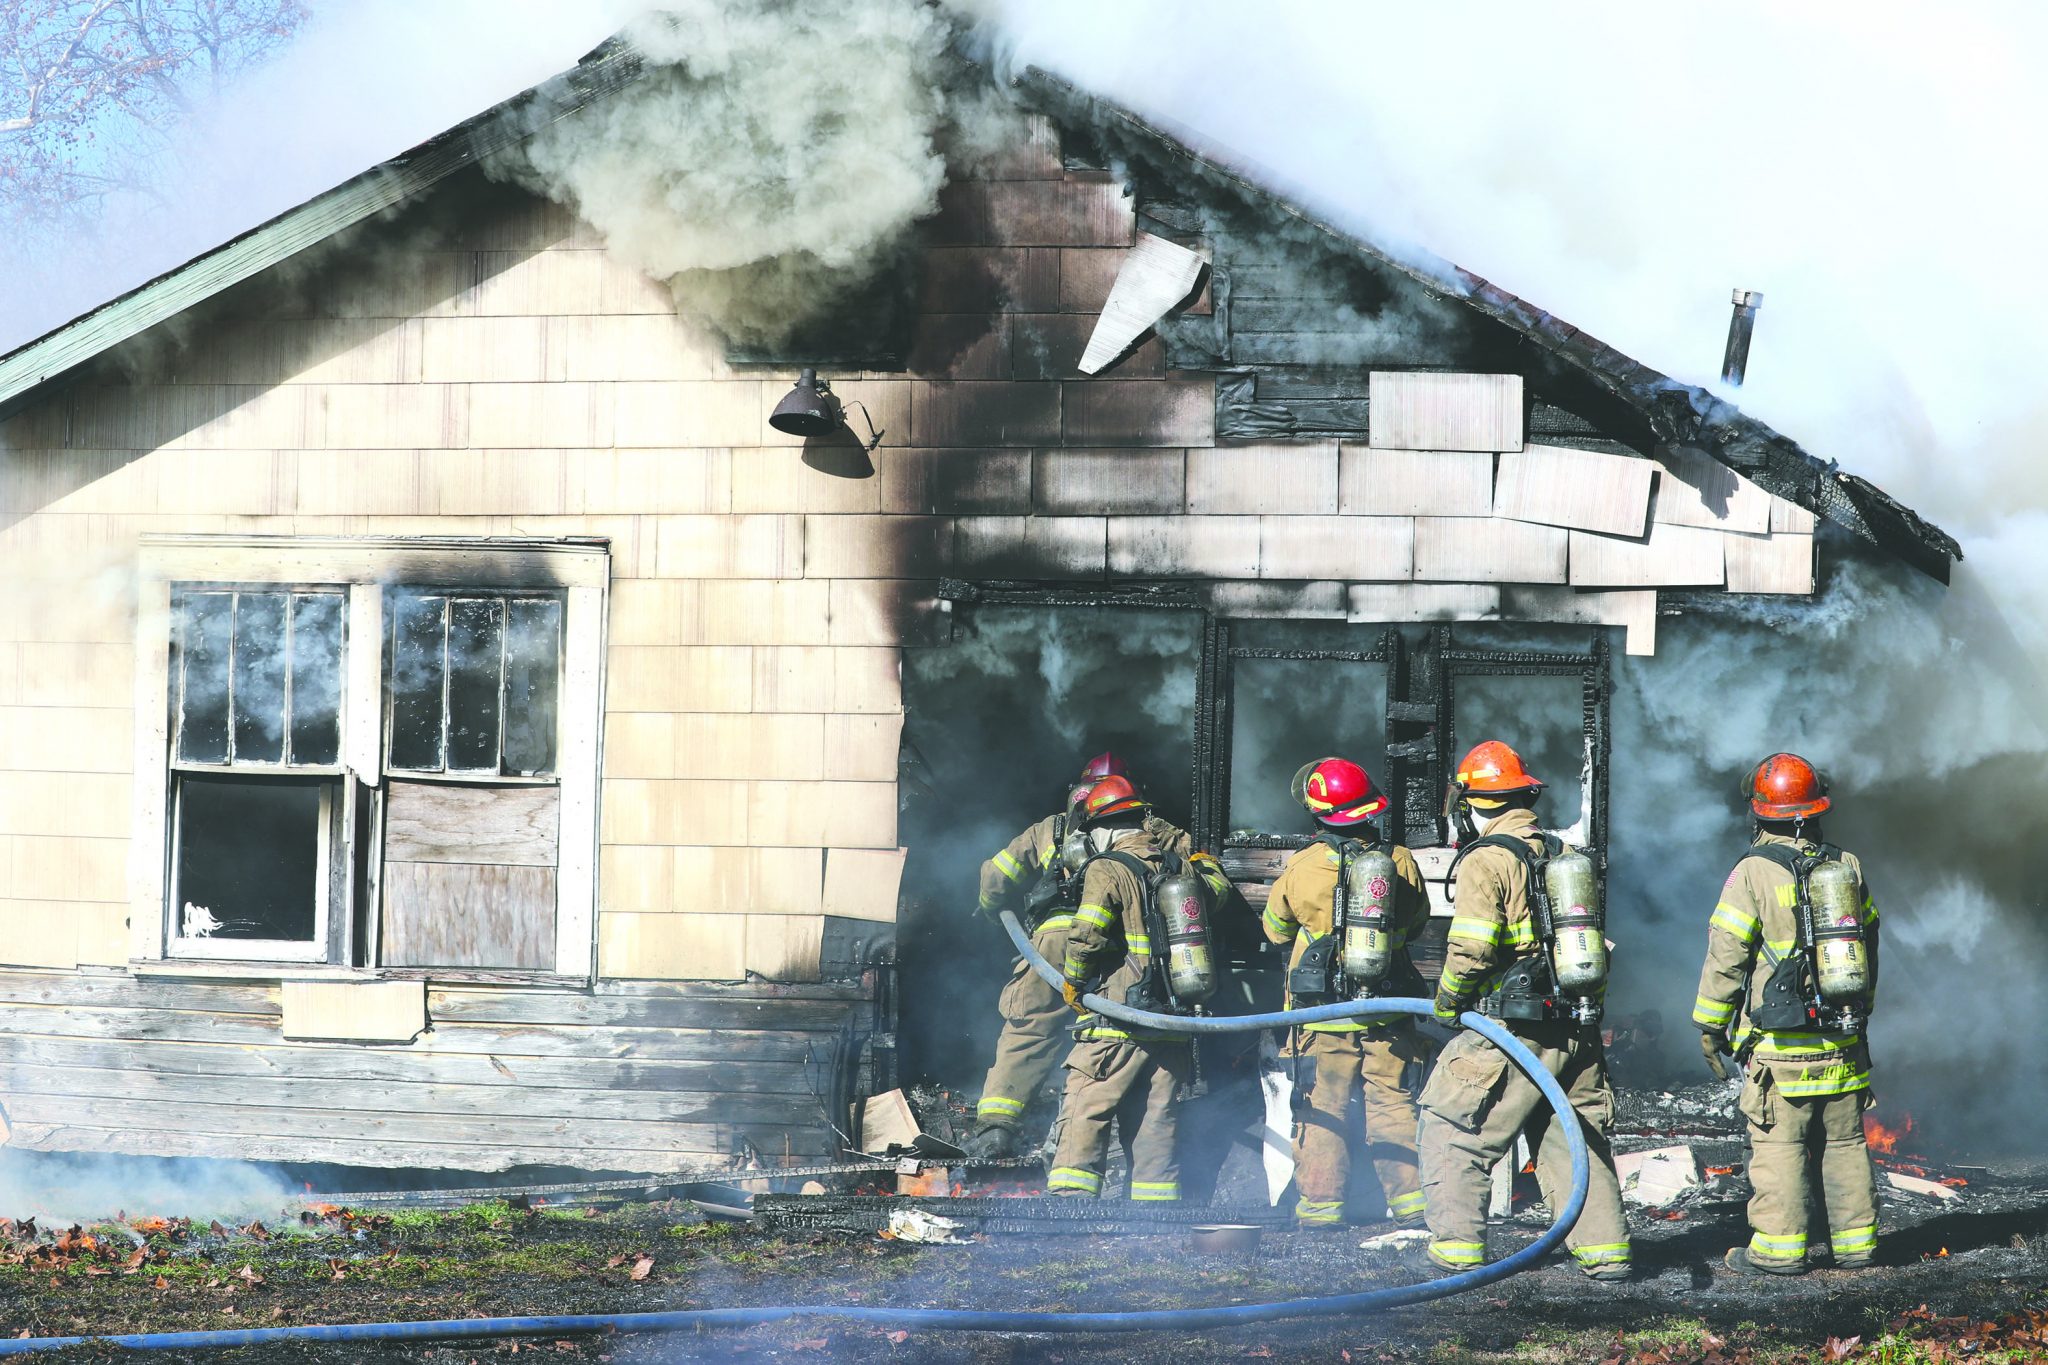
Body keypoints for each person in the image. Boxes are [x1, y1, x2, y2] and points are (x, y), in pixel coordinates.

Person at [1416, 740, 1632, 1281]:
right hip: (1572, 1026)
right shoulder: (1560, 857)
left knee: (1454, 1127)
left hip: (1510, 1027)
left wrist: (1447, 1004)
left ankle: (1457, 1255)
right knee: (1573, 1136)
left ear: (1471, 804)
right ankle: (1607, 1253)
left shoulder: (1487, 861)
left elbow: (1472, 949)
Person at [964, 753, 1207, 1159]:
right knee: (1120, 1034)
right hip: (1127, 949)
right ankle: (1111, 1129)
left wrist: (992, 907)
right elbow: (1199, 871)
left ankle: (997, 1128)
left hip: (1056, 941)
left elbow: (995, 876)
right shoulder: (1150, 828)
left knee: (1029, 1028)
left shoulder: (1053, 828)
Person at [1695, 752, 1881, 1276]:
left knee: (1780, 1144)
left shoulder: (1752, 872)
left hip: (1781, 1051)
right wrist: (1859, 1012)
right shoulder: (1845, 866)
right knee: (1845, 1143)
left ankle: (1778, 1251)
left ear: (1758, 814)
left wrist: (1710, 1026)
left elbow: (1726, 956)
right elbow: (1868, 942)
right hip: (1842, 1040)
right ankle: (1856, 1246)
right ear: (1815, 810)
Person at [1260, 756, 1430, 1228]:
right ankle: (1414, 1208)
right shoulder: (1398, 860)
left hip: (1320, 1016)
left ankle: (1319, 1211)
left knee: (1320, 1109)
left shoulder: (1302, 865)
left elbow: (1275, 931)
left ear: (1318, 812)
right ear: (1369, 809)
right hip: (1385, 1008)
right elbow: (1415, 924)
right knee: (1394, 1104)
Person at [1045, 775, 1220, 1202]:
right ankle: (1154, 1211)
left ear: (1101, 829)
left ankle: (1071, 1204)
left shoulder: (1107, 868)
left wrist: (1072, 983)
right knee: (1157, 1116)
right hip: (1171, 1015)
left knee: (1087, 1101)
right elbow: (1218, 897)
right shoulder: (1179, 866)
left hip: (1118, 1013)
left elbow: (1088, 935)